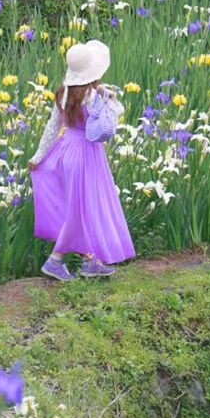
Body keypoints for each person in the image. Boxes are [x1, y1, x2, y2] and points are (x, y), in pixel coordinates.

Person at [28, 38, 135, 281]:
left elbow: (51, 128)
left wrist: (38, 157)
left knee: (80, 208)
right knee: (79, 210)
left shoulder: (62, 95)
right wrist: (108, 95)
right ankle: (55, 261)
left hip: (66, 151)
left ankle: (90, 261)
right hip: (87, 154)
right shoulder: (94, 95)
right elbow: (116, 113)